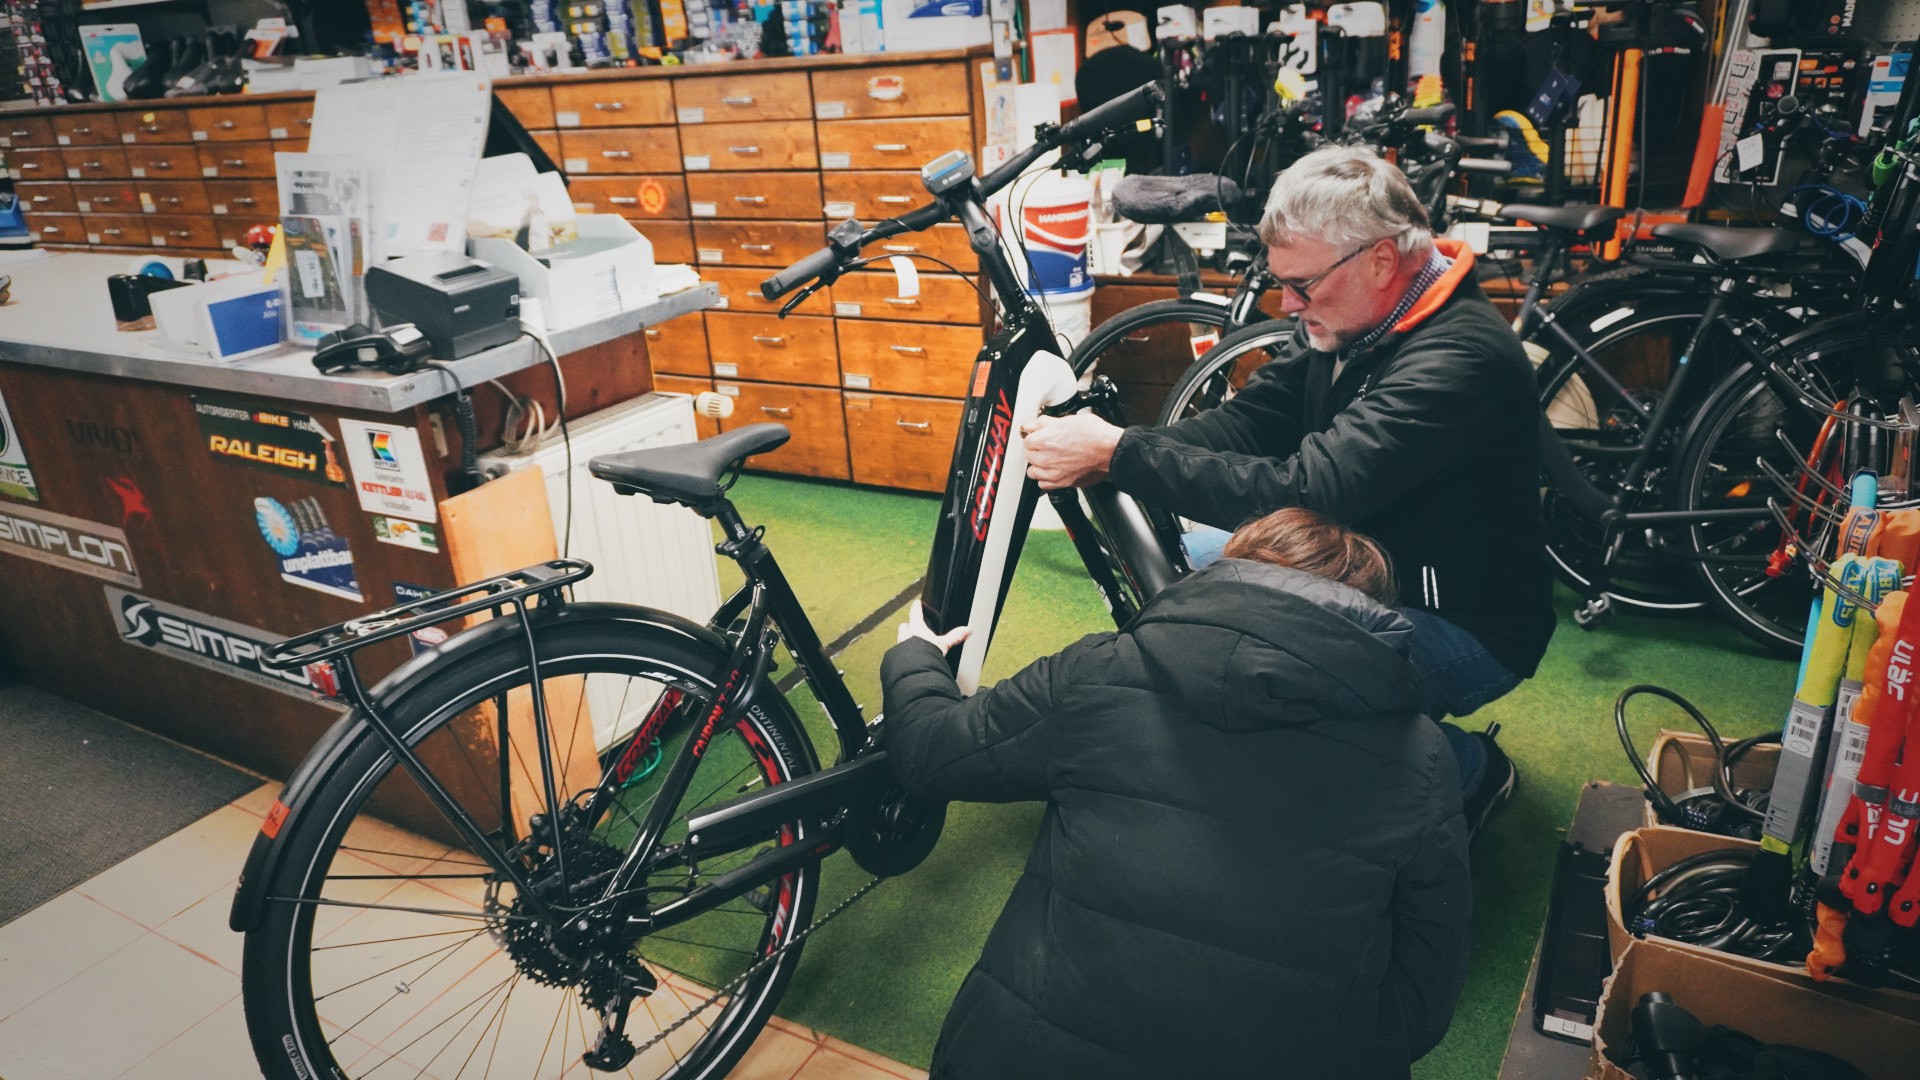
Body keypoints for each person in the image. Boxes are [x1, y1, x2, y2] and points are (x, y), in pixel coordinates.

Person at [1021, 144, 1554, 832]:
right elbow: (1254, 419)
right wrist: (1125, 450)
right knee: (1190, 582)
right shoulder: (1357, 318)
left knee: (1258, 684)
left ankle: (1461, 770)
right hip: (1369, 564)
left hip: (1464, 622)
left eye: (1302, 285)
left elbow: (1313, 490)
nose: (1287, 302)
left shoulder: (1460, 358)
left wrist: (1120, 456)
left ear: (1381, 260)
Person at [882, 507, 1470, 1080]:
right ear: (1368, 615)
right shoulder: (1422, 755)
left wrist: (915, 656)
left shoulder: (1100, 669)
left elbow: (932, 752)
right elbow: (1422, 995)